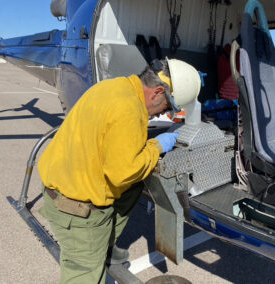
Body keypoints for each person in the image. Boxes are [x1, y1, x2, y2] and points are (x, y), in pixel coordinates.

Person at [38, 58, 201, 284]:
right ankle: (92, 251)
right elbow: (123, 173)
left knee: (134, 188)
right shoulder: (129, 109)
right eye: (167, 107)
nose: (162, 115)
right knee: (84, 275)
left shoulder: (113, 87)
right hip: (77, 210)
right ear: (157, 92)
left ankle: (103, 246)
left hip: (64, 183)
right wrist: (156, 146)